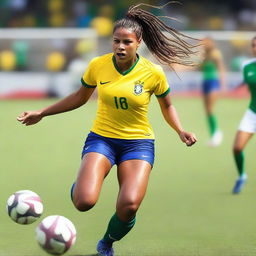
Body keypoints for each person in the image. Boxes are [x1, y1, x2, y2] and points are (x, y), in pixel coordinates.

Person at [17, 3, 197, 256]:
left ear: (138, 42)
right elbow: (79, 97)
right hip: (102, 139)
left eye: (126, 42)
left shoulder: (153, 73)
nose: (120, 47)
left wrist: (180, 130)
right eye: (116, 41)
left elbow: (168, 106)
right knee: (84, 202)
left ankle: (106, 243)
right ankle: (81, 183)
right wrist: (42, 113)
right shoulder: (98, 65)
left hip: (138, 143)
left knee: (130, 205)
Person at [232, 36, 256, 194]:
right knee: (237, 147)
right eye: (253, 45)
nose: (255, 48)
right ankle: (242, 176)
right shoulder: (247, 66)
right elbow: (248, 81)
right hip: (252, 112)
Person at [201, 37, 226, 147]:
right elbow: (200, 68)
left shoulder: (215, 54)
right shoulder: (204, 56)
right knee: (207, 111)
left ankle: (217, 134)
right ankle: (213, 135)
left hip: (213, 82)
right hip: (205, 83)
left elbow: (221, 68)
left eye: (205, 42)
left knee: (210, 110)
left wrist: (222, 84)